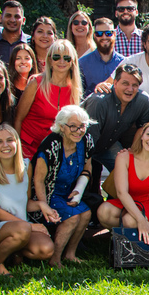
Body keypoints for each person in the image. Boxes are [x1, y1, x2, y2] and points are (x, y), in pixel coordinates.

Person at [0, 124, 55, 276]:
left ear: (17, 142)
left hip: (21, 227)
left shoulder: (26, 166)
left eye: (9, 140)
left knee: (45, 250)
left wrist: (41, 205)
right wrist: (30, 226)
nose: (5, 145)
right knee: (23, 229)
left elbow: (24, 202)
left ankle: (14, 252)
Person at [97, 120, 149, 251]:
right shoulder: (124, 157)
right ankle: (132, 236)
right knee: (104, 211)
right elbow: (121, 193)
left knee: (130, 220)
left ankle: (147, 247)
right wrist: (141, 220)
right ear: (142, 136)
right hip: (132, 201)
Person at [30, 104, 94, 267]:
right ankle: (55, 259)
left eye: (82, 126)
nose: (78, 131)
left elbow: (87, 169)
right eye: (73, 126)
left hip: (69, 191)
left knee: (86, 214)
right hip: (47, 193)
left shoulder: (86, 140)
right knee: (72, 217)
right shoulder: (50, 146)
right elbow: (38, 180)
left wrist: (79, 190)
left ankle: (70, 254)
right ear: (61, 127)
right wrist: (44, 205)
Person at [15, 39, 83, 160]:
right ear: (50, 60)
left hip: (53, 151)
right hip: (27, 147)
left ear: (72, 62)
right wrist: (17, 149)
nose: (61, 61)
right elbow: (18, 118)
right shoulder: (36, 83)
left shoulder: (74, 90)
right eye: (56, 57)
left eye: (67, 58)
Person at [82, 62, 149, 174]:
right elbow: (88, 140)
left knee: (129, 171)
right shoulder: (99, 101)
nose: (130, 89)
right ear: (115, 83)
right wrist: (87, 170)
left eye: (134, 85)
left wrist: (133, 152)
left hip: (108, 143)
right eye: (125, 83)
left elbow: (144, 128)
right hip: (81, 144)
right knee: (84, 177)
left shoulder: (143, 101)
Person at [79, 17, 124, 93]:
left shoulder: (123, 63)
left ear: (114, 34)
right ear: (94, 36)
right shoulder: (82, 64)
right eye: (99, 34)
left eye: (108, 33)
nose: (104, 37)